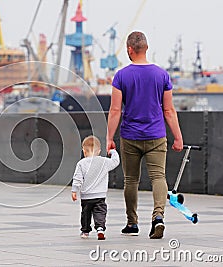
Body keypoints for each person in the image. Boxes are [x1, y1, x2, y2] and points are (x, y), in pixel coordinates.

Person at [106, 31, 183, 239]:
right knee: (159, 177)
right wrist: (178, 137)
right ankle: (158, 217)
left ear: (130, 50)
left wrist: (109, 138)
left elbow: (115, 111)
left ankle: (132, 223)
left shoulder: (121, 76)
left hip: (130, 136)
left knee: (131, 180)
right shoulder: (162, 75)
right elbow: (169, 110)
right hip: (157, 135)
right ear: (146, 48)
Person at [72, 135, 120, 240]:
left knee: (86, 214)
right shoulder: (104, 162)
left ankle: (85, 231)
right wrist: (113, 152)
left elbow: (78, 178)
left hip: (86, 196)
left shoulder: (81, 163)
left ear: (84, 151)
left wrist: (74, 190)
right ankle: (100, 228)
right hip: (100, 195)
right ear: (99, 151)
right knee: (100, 212)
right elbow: (115, 162)